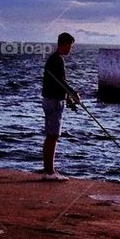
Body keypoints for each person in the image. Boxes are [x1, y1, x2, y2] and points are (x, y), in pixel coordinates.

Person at [42, 32, 80, 180]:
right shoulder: (57, 60)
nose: (70, 49)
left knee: (51, 135)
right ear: (64, 44)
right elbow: (61, 82)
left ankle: (48, 171)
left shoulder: (53, 59)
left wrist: (68, 98)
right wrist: (73, 94)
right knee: (53, 135)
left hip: (51, 99)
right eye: (70, 46)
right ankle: (49, 172)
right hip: (53, 102)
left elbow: (56, 82)